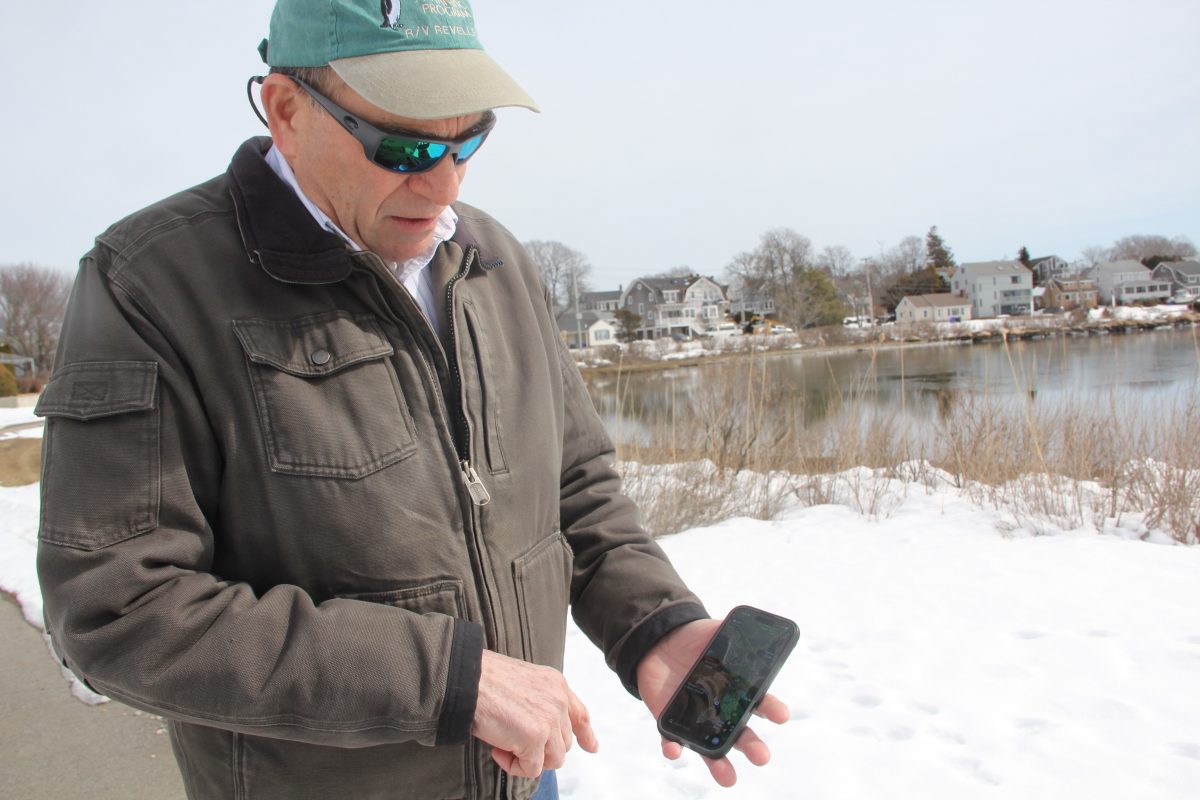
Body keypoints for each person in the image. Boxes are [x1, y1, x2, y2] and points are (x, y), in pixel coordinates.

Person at [34, 1, 787, 798]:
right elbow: (119, 610)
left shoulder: (492, 259)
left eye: (470, 137)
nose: (445, 180)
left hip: (523, 783)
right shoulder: (148, 286)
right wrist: (446, 681)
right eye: (405, 145)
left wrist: (655, 626)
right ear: (286, 111)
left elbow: (575, 489)